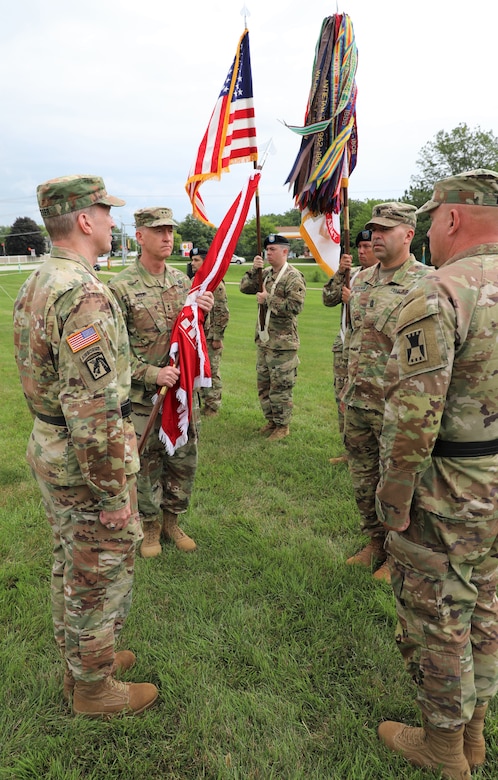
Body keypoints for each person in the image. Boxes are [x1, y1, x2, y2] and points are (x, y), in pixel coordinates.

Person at [13, 174, 158, 717]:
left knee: (70, 563)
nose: (113, 221)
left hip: (51, 446)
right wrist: (114, 491)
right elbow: (93, 409)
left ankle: (81, 662)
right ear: (83, 220)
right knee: (99, 571)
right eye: (106, 212)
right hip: (84, 459)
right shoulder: (84, 295)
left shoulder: (41, 279)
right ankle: (94, 689)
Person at [375, 169, 498, 779]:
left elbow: (412, 416)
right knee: (489, 605)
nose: (427, 231)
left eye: (429, 219)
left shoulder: (441, 292)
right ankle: (475, 734)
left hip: (452, 484)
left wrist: (393, 499)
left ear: (451, 218)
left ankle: (445, 749)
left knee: (441, 616)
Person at [109, 208, 214, 558]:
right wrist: (152, 374)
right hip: (143, 397)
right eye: (158, 231)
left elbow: (193, 340)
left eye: (170, 230)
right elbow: (113, 353)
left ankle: (173, 521)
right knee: (146, 464)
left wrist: (203, 313)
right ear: (139, 236)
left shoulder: (183, 282)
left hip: (180, 395)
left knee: (183, 459)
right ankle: (150, 527)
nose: (168, 237)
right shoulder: (121, 287)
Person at [342, 203, 430, 582]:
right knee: (364, 480)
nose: (376, 236)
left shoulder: (426, 283)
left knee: (397, 483)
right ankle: (374, 541)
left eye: (386, 230)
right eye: (374, 229)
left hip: (397, 407)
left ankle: (398, 555)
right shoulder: (361, 280)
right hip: (357, 399)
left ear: (408, 234)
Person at [239, 234, 306, 441]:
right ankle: (271, 420)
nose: (268, 253)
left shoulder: (293, 277)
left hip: (283, 344)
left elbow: (295, 307)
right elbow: (244, 287)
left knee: (281, 387)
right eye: (267, 250)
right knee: (264, 386)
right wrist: (254, 269)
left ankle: (283, 426)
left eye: (273, 250)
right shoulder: (266, 274)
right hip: (265, 340)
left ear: (285, 252)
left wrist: (269, 299)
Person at [322, 229, 377, 465]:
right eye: (359, 247)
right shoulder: (352, 275)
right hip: (344, 347)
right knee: (343, 399)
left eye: (368, 246)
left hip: (368, 352)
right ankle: (350, 450)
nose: (362, 251)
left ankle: (371, 453)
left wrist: (352, 300)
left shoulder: (383, 277)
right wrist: (341, 272)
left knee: (368, 403)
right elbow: (327, 298)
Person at [189, 245, 230, 416]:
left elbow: (222, 313)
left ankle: (213, 405)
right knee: (198, 368)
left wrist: (217, 337)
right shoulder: (196, 281)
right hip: (198, 334)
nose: (192, 263)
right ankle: (201, 401)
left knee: (212, 369)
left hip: (210, 335)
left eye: (196, 260)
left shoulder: (215, 284)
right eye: (192, 260)